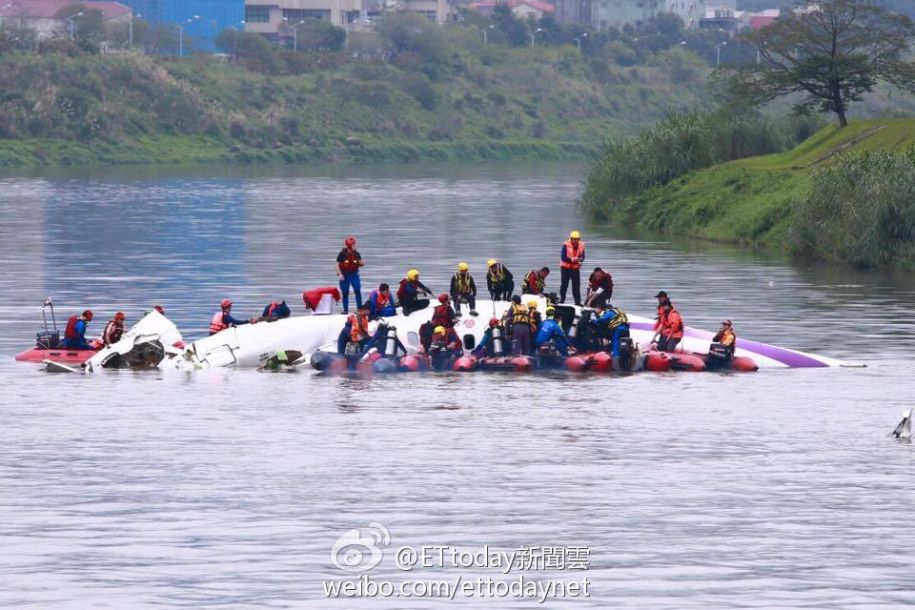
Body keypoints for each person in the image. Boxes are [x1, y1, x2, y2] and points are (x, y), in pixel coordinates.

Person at [336, 236, 365, 314]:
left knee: (357, 290)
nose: (355, 246)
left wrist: (362, 263)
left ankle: (359, 309)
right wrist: (340, 274)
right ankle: (345, 310)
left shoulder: (356, 254)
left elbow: (360, 262)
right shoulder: (342, 254)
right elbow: (337, 265)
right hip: (345, 275)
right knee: (345, 292)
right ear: (349, 246)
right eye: (353, 245)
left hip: (354, 275)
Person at [559, 230, 586, 305]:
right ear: (571, 238)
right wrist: (573, 260)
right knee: (564, 285)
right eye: (575, 239)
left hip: (575, 269)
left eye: (578, 239)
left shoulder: (581, 245)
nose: (576, 241)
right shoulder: (566, 245)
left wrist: (580, 260)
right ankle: (562, 300)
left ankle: (578, 302)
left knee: (576, 286)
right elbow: (563, 257)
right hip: (565, 269)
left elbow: (583, 257)